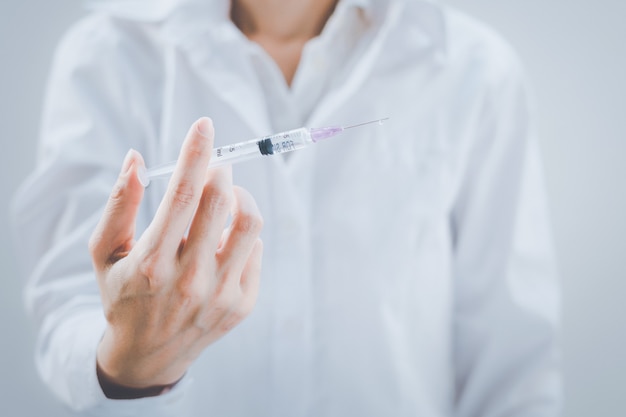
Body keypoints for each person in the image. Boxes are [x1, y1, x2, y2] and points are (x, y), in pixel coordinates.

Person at [12, 0, 562, 415]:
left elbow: (514, 362)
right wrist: (129, 359)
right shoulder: (109, 55)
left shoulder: (474, 70)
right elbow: (65, 309)